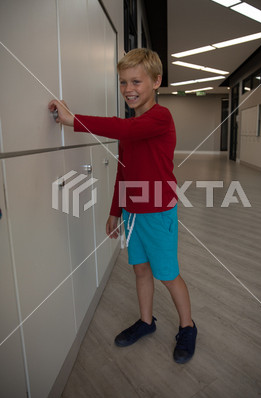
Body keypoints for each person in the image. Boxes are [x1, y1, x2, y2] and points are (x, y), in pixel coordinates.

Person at [48, 48, 197, 363]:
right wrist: (115, 211)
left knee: (167, 274)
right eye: (123, 82)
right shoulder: (132, 128)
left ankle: (188, 327)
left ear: (156, 82)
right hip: (133, 213)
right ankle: (146, 322)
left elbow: (124, 129)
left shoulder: (160, 117)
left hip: (158, 213)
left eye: (136, 81)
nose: (129, 89)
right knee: (140, 269)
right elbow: (123, 172)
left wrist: (72, 119)